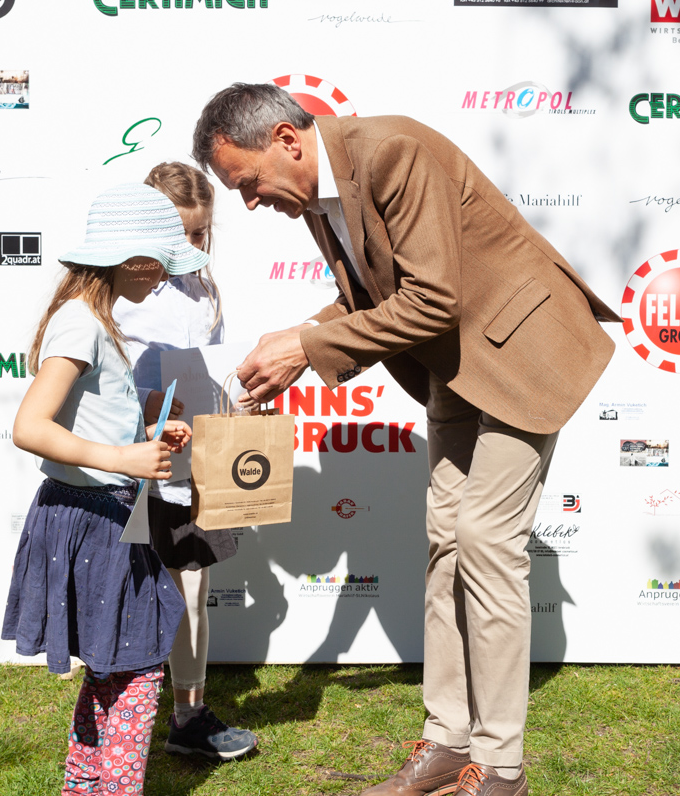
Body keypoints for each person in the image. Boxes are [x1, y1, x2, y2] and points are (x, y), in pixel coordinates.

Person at [192, 83, 622, 796]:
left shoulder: (390, 153)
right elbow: (368, 297)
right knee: (446, 537)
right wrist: (299, 340)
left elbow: (433, 298)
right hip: (453, 366)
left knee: (485, 537)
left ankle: (502, 767)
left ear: (287, 141)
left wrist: (306, 345)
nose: (250, 201)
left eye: (249, 183)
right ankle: (448, 742)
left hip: (522, 350)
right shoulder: (316, 192)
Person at [3, 182, 206, 795]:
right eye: (165, 265)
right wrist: (124, 456)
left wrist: (146, 425)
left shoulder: (94, 320)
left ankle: (85, 786)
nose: (165, 279)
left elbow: (83, 419)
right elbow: (29, 427)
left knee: (114, 661)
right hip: (95, 518)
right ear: (137, 262)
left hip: (98, 514)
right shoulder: (80, 324)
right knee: (141, 664)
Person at [112, 161, 259, 760]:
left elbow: (212, 364)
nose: (191, 247)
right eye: (179, 235)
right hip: (124, 463)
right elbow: (93, 380)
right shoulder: (112, 287)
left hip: (193, 462)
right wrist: (145, 406)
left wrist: (236, 400)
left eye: (199, 235)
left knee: (193, 588)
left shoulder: (204, 287)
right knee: (124, 592)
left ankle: (187, 717)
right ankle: (123, 714)